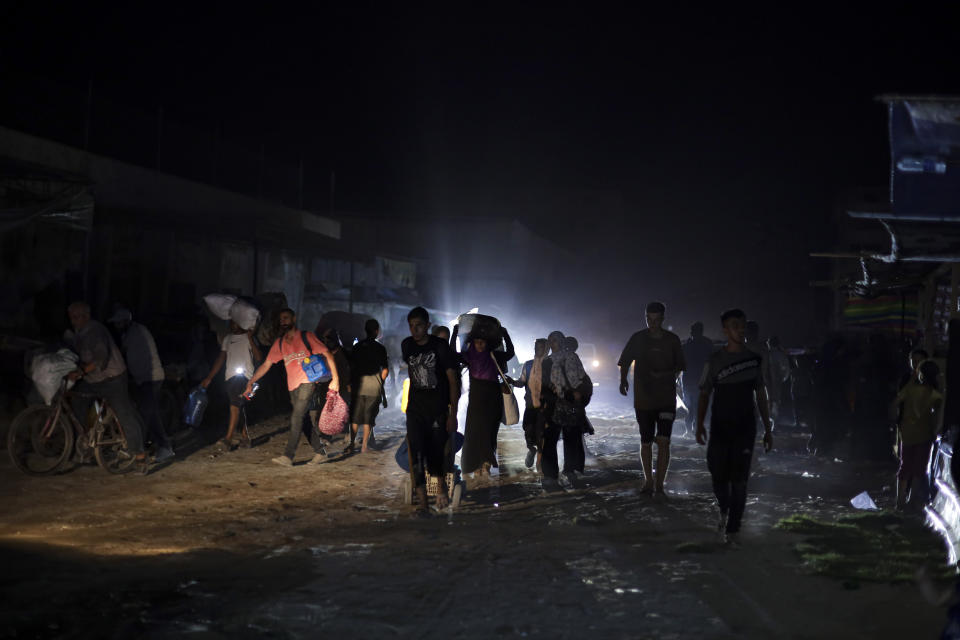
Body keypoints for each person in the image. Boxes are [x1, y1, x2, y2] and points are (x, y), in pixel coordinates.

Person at [696, 308, 773, 546]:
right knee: (718, 473)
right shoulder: (716, 360)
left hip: (745, 428)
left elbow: (761, 394)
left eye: (741, 325)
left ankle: (733, 528)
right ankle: (725, 509)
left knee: (739, 479)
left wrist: (768, 429)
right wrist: (699, 423)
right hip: (720, 427)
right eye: (733, 326)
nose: (739, 330)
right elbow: (704, 393)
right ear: (725, 330)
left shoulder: (754, 360)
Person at [244, 308, 339, 466]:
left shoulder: (306, 337)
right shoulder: (279, 343)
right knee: (304, 420)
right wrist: (251, 381)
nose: (283, 321)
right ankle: (321, 453)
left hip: (307, 382)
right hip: (292, 386)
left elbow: (328, 354)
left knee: (296, 417)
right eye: (281, 319)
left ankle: (288, 456)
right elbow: (266, 364)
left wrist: (335, 379)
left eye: (286, 318)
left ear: (294, 319)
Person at [64, 302, 149, 472]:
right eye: (71, 317)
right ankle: (86, 441)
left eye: (76, 317)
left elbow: (100, 358)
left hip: (112, 378)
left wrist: (81, 371)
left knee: (123, 413)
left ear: (86, 316)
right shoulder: (78, 332)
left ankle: (140, 456)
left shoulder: (95, 330)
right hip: (93, 379)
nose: (73, 321)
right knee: (77, 401)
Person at [618, 301, 685, 495]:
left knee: (664, 441)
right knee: (646, 441)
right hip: (644, 400)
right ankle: (648, 480)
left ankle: (660, 484)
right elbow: (625, 360)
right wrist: (623, 380)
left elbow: (680, 367)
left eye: (656, 319)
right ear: (645, 317)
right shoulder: (638, 338)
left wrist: (666, 376)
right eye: (649, 319)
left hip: (666, 399)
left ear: (663, 318)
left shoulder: (672, 340)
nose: (652, 323)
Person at [402, 307, 460, 513]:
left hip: (437, 409)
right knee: (416, 453)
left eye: (418, 325)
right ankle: (424, 504)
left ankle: (441, 486)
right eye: (411, 325)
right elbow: (411, 371)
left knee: (436, 453)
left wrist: (453, 414)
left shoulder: (441, 347)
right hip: (415, 409)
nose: (414, 330)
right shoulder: (407, 346)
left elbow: (453, 381)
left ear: (427, 326)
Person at [107, 308, 174, 463]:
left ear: (125, 321)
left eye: (118, 323)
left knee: (147, 415)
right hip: (143, 379)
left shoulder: (136, 333)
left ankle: (163, 447)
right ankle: (149, 446)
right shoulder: (130, 333)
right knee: (146, 414)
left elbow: (128, 357)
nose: (116, 326)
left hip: (150, 379)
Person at [452, 321, 515, 476]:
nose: (480, 345)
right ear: (472, 343)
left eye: (482, 342)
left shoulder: (494, 356)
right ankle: (477, 464)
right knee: (474, 432)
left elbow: (510, 353)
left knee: (490, 431)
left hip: (493, 399)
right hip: (476, 400)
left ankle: (486, 463)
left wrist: (505, 334)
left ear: (487, 343)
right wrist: (454, 334)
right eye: (477, 342)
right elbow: (452, 353)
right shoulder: (468, 356)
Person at [891, 359, 943, 511]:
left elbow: (895, 403)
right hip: (925, 433)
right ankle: (911, 499)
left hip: (907, 432)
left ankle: (899, 500)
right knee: (919, 468)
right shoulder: (936, 395)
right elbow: (938, 416)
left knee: (905, 466)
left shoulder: (910, 390)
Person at [201, 320, 262, 449]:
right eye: (231, 323)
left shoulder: (249, 337)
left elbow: (258, 357)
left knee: (234, 406)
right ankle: (245, 438)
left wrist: (250, 339)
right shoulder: (227, 339)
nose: (233, 325)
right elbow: (221, 358)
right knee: (240, 406)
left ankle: (228, 439)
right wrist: (209, 377)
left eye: (236, 322)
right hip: (230, 377)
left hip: (246, 377)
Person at [540, 330, 588, 486]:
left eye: (554, 340)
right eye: (550, 340)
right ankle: (552, 473)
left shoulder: (570, 357)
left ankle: (568, 470)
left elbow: (581, 378)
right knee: (552, 438)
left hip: (567, 402)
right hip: (555, 403)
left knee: (569, 438)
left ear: (560, 342)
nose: (552, 343)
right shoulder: (547, 361)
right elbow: (544, 384)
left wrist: (577, 395)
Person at [349, 318, 389, 453]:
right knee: (368, 418)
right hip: (373, 388)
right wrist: (380, 382)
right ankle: (365, 446)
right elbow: (385, 370)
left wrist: (350, 383)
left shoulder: (357, 347)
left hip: (358, 387)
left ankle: (351, 444)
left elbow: (351, 368)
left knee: (354, 418)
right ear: (376, 331)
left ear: (365, 330)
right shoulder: (380, 348)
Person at [510, 338, 548, 469]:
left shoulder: (550, 365)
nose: (538, 350)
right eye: (536, 347)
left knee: (542, 435)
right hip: (530, 405)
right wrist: (512, 381)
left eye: (541, 348)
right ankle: (531, 450)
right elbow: (522, 382)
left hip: (545, 407)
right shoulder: (528, 365)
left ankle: (540, 463)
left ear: (546, 349)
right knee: (528, 432)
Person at [682, 321, 714, 436]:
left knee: (693, 407)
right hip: (691, 381)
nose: (692, 333)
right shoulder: (706, 344)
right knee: (693, 406)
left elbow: (708, 364)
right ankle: (691, 429)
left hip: (694, 381)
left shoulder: (689, 345)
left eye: (693, 331)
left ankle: (692, 429)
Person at [763, 336, 791, 425]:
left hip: (765, 382)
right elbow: (786, 369)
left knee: (767, 401)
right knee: (775, 402)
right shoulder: (780, 355)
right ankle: (773, 422)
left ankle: (768, 422)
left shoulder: (765, 354)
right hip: (776, 381)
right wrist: (782, 378)